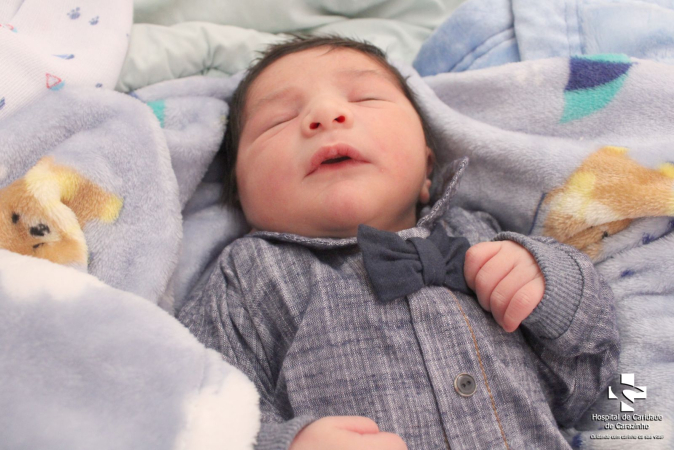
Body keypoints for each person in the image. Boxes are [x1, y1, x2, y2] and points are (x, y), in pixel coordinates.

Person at [178, 35, 619, 450]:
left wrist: (551, 288)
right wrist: (285, 442)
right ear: (241, 194)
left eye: (365, 98)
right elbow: (193, 412)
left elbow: (590, 382)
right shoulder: (248, 277)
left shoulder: (483, 235)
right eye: (278, 119)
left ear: (427, 169)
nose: (326, 115)